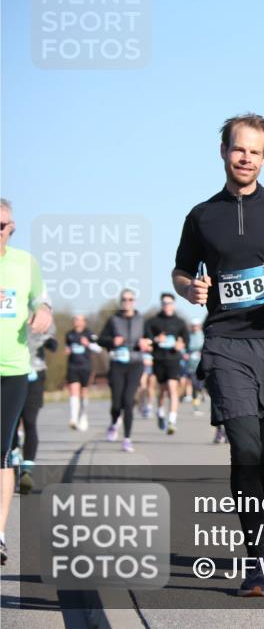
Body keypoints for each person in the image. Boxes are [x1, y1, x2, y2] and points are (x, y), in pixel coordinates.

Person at [173, 113, 264, 597]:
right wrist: (190, 289)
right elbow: (180, 271)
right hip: (226, 342)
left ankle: (262, 511)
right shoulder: (201, 216)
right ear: (223, 151)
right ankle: (256, 559)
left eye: (255, 151)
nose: (246, 158)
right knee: (246, 449)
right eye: (239, 149)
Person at [0, 198, 54, 565]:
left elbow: (41, 300)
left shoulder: (25, 264)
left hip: (13, 370)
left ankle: (0, 535)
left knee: (2, 450)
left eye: (2, 226)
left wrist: (43, 311)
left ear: (12, 228)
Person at [98, 289, 149, 452]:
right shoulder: (113, 320)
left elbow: (150, 340)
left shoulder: (142, 320)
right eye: (124, 299)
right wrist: (112, 341)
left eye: (130, 299)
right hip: (117, 364)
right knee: (116, 403)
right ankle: (114, 422)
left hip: (135, 364)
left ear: (134, 301)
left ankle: (127, 439)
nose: (127, 302)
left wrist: (147, 343)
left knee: (128, 401)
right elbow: (100, 340)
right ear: (120, 302)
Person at [17, 323, 58, 493]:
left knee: (29, 420)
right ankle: (12, 458)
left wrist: (50, 342)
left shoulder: (42, 312)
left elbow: (52, 341)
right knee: (10, 422)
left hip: (35, 372)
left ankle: (26, 471)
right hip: (9, 372)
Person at [143, 293, 189, 435]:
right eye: (164, 303)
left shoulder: (180, 322)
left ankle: (172, 421)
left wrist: (181, 345)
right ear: (161, 304)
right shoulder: (153, 321)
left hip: (174, 359)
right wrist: (156, 339)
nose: (167, 305)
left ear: (173, 305)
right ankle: (160, 412)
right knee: (162, 391)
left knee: (172, 388)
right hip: (159, 359)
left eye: (169, 303)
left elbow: (186, 340)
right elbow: (146, 339)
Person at [64, 314, 99, 431]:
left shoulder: (90, 334)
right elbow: (68, 346)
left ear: (84, 322)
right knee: (73, 391)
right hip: (72, 366)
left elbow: (99, 348)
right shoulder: (69, 334)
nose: (77, 322)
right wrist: (67, 350)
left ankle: (83, 416)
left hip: (86, 367)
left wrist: (88, 344)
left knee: (84, 392)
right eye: (75, 319)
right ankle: (73, 418)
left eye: (79, 320)